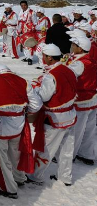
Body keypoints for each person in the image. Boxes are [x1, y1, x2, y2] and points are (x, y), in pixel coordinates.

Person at [0, 64, 42, 199]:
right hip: (19, 124)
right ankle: (19, 178)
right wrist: (24, 112)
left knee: (2, 159)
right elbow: (36, 104)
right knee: (16, 153)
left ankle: (10, 189)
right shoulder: (23, 81)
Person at [28, 43, 77, 186]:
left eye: (43, 56)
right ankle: (65, 177)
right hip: (70, 115)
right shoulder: (69, 70)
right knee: (67, 149)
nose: (42, 58)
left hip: (55, 118)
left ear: (49, 58)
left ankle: (36, 176)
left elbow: (44, 96)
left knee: (46, 148)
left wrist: (35, 88)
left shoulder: (51, 76)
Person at [66, 36, 96, 165]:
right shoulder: (90, 60)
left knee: (76, 130)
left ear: (80, 48)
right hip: (92, 98)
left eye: (74, 45)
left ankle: (70, 155)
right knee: (89, 129)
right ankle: (87, 154)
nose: (72, 46)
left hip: (81, 100)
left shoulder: (79, 63)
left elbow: (67, 77)